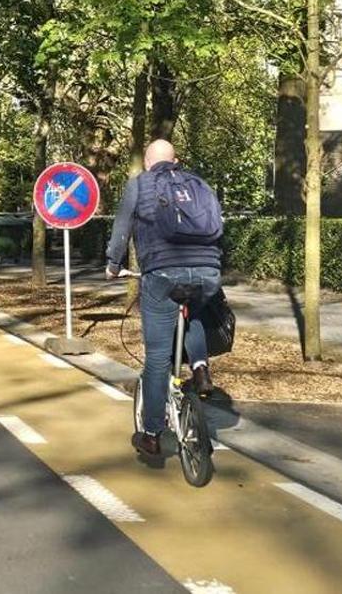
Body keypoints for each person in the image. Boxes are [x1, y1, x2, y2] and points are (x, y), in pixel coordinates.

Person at [105, 139, 222, 457]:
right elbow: (217, 225)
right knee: (193, 310)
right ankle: (200, 367)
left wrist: (113, 265)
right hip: (208, 272)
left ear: (146, 162)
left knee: (157, 357)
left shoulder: (140, 184)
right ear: (176, 160)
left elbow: (122, 226)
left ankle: (152, 433)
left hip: (161, 272)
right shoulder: (198, 183)